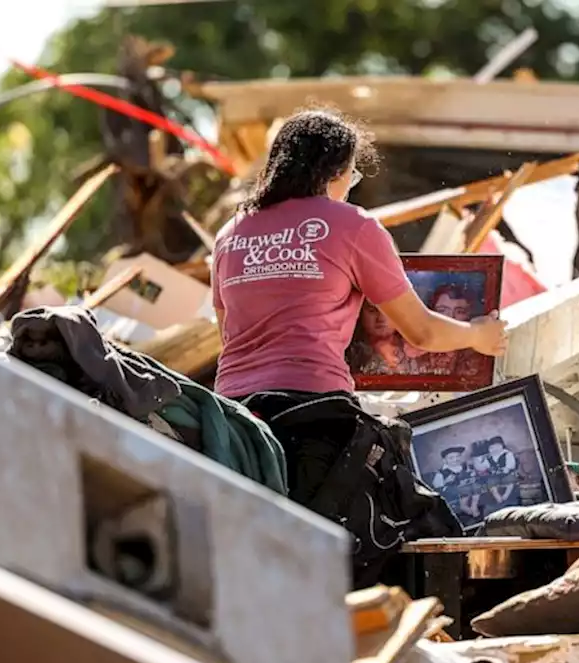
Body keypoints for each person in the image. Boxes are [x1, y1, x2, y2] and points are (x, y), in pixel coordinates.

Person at [210, 107, 507, 533]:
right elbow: (421, 331)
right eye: (352, 173)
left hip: (234, 423)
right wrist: (479, 335)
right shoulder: (352, 225)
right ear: (334, 171)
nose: (351, 185)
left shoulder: (230, 234)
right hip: (316, 423)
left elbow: (228, 333)